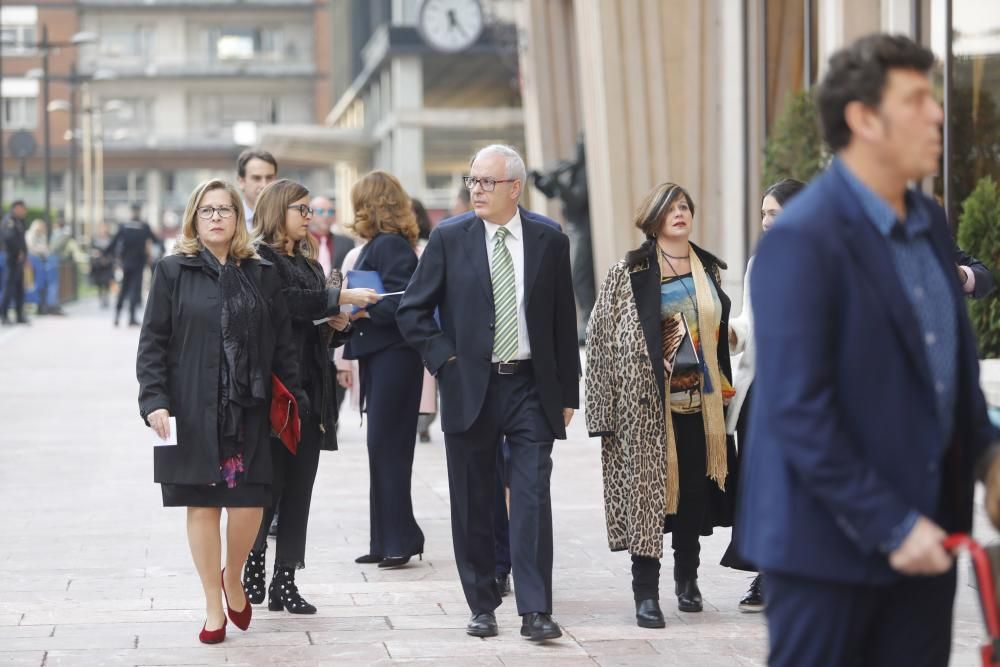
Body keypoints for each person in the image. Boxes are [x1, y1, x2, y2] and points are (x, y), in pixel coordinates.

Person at [737, 34, 996, 666]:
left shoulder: (929, 222)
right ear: (863, 119)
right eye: (916, 100)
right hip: (826, 556)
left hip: (930, 541)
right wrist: (892, 524)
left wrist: (989, 455)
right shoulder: (801, 239)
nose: (938, 113)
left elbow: (950, 371)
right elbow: (799, 411)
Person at [397, 144, 579, 641]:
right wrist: (447, 362)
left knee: (531, 495)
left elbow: (564, 320)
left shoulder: (548, 239)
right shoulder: (450, 237)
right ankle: (481, 603)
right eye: (471, 180)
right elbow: (412, 311)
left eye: (485, 182)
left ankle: (535, 609)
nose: (474, 190)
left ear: (514, 188)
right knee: (474, 499)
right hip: (470, 387)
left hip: (529, 386)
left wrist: (568, 393)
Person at [136, 179, 302, 644]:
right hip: (191, 406)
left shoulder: (262, 271)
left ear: (238, 218)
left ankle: (234, 580)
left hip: (249, 408)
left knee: (251, 502)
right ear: (194, 217)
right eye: (207, 210)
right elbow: (153, 342)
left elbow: (283, 343)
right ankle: (214, 602)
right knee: (203, 504)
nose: (216, 217)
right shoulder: (173, 271)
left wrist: (293, 398)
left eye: (225, 209)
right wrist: (154, 400)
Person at [585, 182, 736, 630]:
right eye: (670, 208)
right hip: (645, 408)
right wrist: (601, 411)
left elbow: (715, 329)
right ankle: (644, 594)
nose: (679, 213)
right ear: (652, 218)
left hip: (699, 403)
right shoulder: (628, 270)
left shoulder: (708, 267)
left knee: (690, 494)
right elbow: (600, 342)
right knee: (647, 499)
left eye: (685, 206)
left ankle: (687, 581)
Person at [242, 179, 379, 614]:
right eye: (302, 209)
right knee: (269, 487)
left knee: (300, 488)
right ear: (278, 210)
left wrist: (338, 323)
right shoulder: (259, 259)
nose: (310, 217)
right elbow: (283, 305)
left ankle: (287, 578)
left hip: (311, 390)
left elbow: (314, 321)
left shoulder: (309, 263)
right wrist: (335, 298)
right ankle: (253, 563)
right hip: (275, 391)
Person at [718, 178, 805, 613]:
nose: (766, 222)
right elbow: (752, 321)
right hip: (762, 392)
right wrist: (731, 331)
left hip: (808, 394)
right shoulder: (760, 262)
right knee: (761, 485)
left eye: (774, 213)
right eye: (763, 214)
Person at [343, 170, 426, 570]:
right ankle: (385, 538)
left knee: (389, 447)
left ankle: (401, 538)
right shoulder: (385, 243)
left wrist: (363, 307)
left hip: (396, 356)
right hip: (384, 356)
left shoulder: (391, 245)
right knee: (382, 448)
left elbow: (403, 303)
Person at [411, 198, 438, 444]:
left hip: (434, 322)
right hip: (414, 324)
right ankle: (420, 420)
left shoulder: (433, 244)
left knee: (431, 381)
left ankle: (425, 421)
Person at [109, 204, 156, 327]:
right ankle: (131, 318)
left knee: (123, 290)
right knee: (135, 290)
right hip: (139, 263)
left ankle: (117, 316)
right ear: (139, 212)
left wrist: (105, 253)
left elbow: (114, 242)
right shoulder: (144, 226)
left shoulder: (124, 226)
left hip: (126, 263)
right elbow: (156, 240)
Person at [309, 195, 354, 278]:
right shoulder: (299, 242)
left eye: (330, 211)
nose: (326, 215)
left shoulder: (347, 243)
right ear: (310, 215)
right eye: (320, 211)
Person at [0, 200, 29, 325]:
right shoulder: (9, 221)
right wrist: (18, 251)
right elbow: (8, 238)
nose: (24, 212)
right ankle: (4, 314)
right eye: (22, 209)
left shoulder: (18, 221)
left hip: (19, 259)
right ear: (16, 208)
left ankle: (19, 314)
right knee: (9, 288)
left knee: (19, 288)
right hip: (12, 259)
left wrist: (24, 254)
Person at [236, 149, 278, 230]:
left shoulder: (287, 220)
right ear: (241, 182)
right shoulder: (232, 221)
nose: (264, 185)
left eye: (269, 178)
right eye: (256, 178)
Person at [25, 219, 50, 315]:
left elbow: (46, 249)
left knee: (42, 286)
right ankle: (29, 306)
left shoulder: (42, 236)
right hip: (31, 264)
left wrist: (43, 250)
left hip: (41, 264)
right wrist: (42, 249)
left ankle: (41, 306)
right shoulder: (30, 235)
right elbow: (31, 248)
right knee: (30, 287)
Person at [90, 222, 115, 308]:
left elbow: (113, 251)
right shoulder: (95, 240)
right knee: (100, 283)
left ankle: (106, 298)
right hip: (98, 265)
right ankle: (101, 298)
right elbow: (92, 251)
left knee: (107, 282)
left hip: (107, 265)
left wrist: (108, 259)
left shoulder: (110, 240)